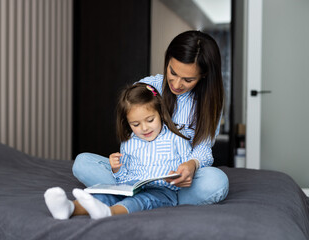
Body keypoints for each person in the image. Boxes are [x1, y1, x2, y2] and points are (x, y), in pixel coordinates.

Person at [73, 30, 229, 205]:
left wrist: (192, 165)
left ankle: (156, 197)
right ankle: (146, 195)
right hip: (138, 175)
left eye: (188, 79)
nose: (177, 84)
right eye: (173, 72)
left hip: (179, 181)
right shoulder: (149, 87)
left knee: (217, 181)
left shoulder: (209, 103)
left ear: (204, 75)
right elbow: (130, 132)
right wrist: (119, 166)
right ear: (167, 61)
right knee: (82, 163)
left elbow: (204, 147)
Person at [44, 83, 192, 219]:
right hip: (132, 188)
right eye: (136, 124)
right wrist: (116, 170)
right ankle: (69, 207)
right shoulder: (129, 143)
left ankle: (110, 212)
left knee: (140, 201)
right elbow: (123, 180)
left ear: (160, 113)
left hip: (163, 193)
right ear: (128, 123)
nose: (144, 128)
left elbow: (187, 169)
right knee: (105, 194)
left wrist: (176, 177)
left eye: (150, 120)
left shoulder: (176, 139)